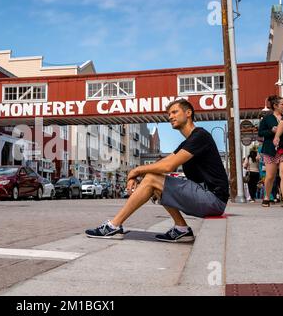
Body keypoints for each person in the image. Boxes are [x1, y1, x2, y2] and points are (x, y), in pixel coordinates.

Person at [85, 99, 229, 242]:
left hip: (213, 199)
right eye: (169, 114)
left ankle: (113, 226)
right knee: (155, 182)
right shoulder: (188, 142)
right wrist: (139, 175)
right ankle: (181, 228)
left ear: (188, 113)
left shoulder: (200, 136)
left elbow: (168, 167)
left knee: (152, 178)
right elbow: (164, 163)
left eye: (174, 112)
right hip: (206, 196)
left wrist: (136, 171)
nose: (170, 116)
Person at [259, 95, 283, 207]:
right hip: (271, 150)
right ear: (275, 106)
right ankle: (267, 197)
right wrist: (271, 131)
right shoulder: (267, 118)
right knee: (270, 176)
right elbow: (260, 133)